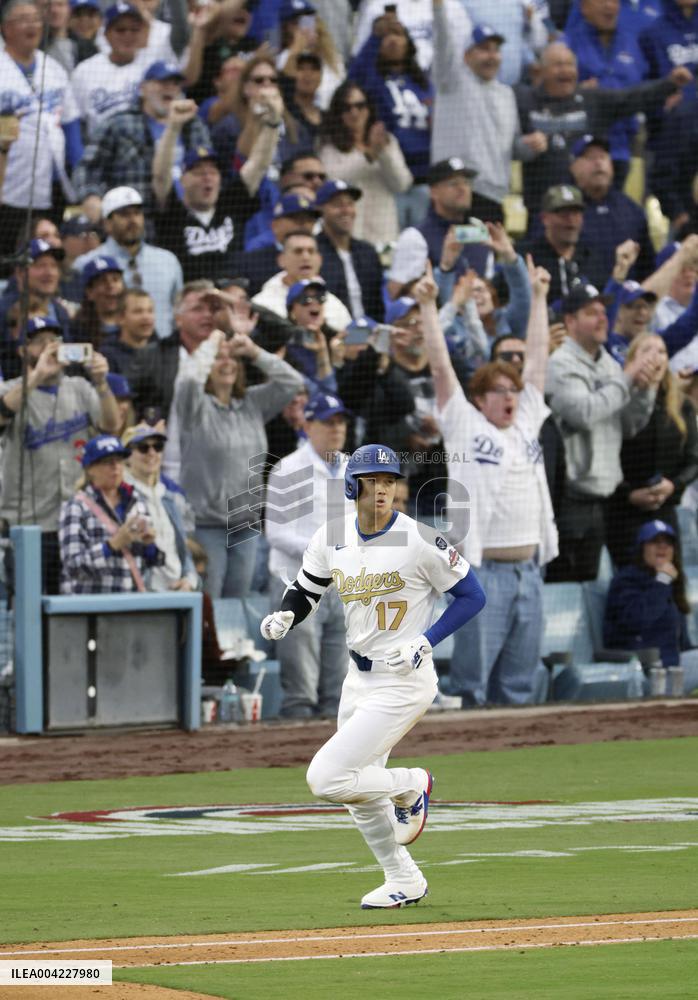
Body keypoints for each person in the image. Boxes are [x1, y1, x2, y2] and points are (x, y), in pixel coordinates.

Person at [260, 442, 485, 908]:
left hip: (403, 680)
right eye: (372, 481)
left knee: (327, 777)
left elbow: (472, 594)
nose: (382, 490)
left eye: (389, 481)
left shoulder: (418, 537)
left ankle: (411, 784)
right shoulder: (332, 535)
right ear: (352, 485)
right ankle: (403, 878)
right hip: (357, 677)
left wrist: (428, 640)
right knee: (356, 790)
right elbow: (306, 588)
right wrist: (287, 615)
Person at [419, 258, 559, 706]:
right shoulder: (465, 424)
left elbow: (537, 363)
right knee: (472, 686)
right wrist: (427, 306)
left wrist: (538, 297)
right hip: (484, 574)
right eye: (499, 391)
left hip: (531, 571)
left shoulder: (526, 424)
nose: (510, 397)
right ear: (480, 399)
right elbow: (441, 368)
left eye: (513, 391)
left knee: (519, 686)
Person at [174, 329, 304, 598]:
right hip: (205, 526)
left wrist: (254, 351)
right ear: (207, 366)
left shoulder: (252, 404)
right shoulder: (194, 407)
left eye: (232, 357)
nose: (227, 362)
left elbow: (292, 382)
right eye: (219, 358)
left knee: (238, 609)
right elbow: (187, 379)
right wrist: (211, 343)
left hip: (246, 526)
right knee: (209, 607)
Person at [545, 282, 659, 581]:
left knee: (600, 590)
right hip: (572, 503)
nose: (602, 318)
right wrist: (628, 377)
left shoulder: (608, 364)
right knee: (568, 593)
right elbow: (584, 414)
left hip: (609, 500)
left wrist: (644, 391)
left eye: (602, 311)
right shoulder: (559, 364)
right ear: (569, 321)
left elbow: (628, 426)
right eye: (591, 312)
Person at [0, 317, 119, 593]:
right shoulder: (11, 390)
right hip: (29, 525)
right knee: (29, 609)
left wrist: (102, 383)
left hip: (77, 523)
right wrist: (38, 375)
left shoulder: (80, 388)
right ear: (23, 351)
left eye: (54, 341)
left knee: (70, 611)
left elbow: (111, 427)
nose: (48, 347)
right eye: (39, 342)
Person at [515, 41, 691, 217]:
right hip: (542, 208)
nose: (566, 70)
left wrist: (669, 84)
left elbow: (631, 98)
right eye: (558, 65)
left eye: (570, 64)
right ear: (542, 71)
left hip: (585, 210)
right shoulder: (525, 101)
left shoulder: (591, 100)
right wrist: (523, 145)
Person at [265, 391, 352, 718]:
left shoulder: (351, 468)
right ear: (309, 425)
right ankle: (292, 753)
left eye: (340, 422)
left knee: (338, 682)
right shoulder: (288, 468)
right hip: (296, 582)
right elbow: (276, 532)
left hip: (341, 584)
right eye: (328, 423)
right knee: (300, 684)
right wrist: (324, 551)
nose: (336, 429)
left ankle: (335, 753)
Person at [432, 11, 547, 225]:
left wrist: (531, 146)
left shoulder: (507, 95)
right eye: (484, 49)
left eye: (496, 50)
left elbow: (514, 150)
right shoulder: (452, 81)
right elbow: (442, 42)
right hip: (455, 196)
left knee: (487, 257)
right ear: (466, 56)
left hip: (493, 201)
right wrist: (438, 7)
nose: (492, 56)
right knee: (452, 255)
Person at [73, 60, 210, 221]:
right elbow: (86, 168)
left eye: (175, 83)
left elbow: (209, 166)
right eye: (162, 82)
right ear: (142, 89)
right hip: (137, 218)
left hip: (187, 219)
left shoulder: (194, 125)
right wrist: (91, 197)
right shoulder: (119, 124)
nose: (170, 88)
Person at [606, 333, 698, 565]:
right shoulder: (615, 398)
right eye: (647, 350)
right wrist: (628, 494)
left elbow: (694, 458)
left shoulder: (681, 403)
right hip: (624, 512)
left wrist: (673, 485)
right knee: (631, 579)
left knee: (668, 579)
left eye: (661, 351)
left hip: (666, 507)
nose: (655, 357)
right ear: (632, 358)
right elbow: (605, 455)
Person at [0, 0, 82, 253]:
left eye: (36, 19)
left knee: (47, 253)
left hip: (52, 184)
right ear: (6, 28)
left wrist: (78, 172)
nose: (33, 25)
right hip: (9, 184)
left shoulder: (53, 68)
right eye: (23, 19)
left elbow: (70, 123)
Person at [348, 10, 433, 227]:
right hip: (388, 178)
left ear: (409, 43)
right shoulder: (372, 80)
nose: (392, 40)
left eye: (398, 34)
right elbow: (354, 76)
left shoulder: (423, 83)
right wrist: (374, 37)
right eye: (386, 36)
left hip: (424, 180)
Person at [73, 186, 182, 339]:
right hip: (108, 351)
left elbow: (179, 311)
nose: (133, 220)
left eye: (137, 213)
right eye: (124, 214)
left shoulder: (168, 260)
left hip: (162, 353)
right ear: (107, 223)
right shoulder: (86, 263)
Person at [59, 433, 162, 594]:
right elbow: (74, 567)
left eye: (119, 461)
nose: (116, 467)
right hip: (91, 606)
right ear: (90, 469)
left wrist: (150, 546)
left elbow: (152, 562)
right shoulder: (76, 507)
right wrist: (112, 545)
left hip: (132, 604)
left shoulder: (137, 501)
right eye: (108, 462)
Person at [603, 519, 698, 691]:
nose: (662, 547)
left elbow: (682, 641)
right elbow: (637, 620)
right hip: (643, 671)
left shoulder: (670, 581)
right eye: (655, 542)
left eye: (668, 543)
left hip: (672, 667)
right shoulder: (626, 580)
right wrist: (661, 583)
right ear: (642, 548)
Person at [318, 81, 413, 247]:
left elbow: (402, 184)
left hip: (384, 231)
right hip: (347, 234)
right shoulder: (328, 146)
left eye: (360, 106)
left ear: (369, 108)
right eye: (347, 108)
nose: (354, 112)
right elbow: (332, 180)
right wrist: (369, 156)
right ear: (338, 113)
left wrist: (383, 154)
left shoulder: (387, 142)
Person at [387, 158, 492, 298]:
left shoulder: (480, 232)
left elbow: (489, 284)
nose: (463, 189)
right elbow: (397, 293)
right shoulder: (415, 236)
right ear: (433, 192)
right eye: (453, 184)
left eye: (467, 183)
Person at [122, 421, 199, 591]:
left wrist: (189, 580)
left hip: (178, 593)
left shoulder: (170, 498)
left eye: (157, 447)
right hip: (143, 596)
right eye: (143, 447)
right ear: (127, 455)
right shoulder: (122, 497)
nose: (151, 453)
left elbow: (182, 550)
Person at [569, 134, 655, 282]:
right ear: (573, 167)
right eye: (590, 158)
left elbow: (648, 265)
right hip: (580, 299)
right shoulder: (563, 210)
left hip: (625, 299)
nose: (598, 163)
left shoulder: (631, 210)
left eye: (603, 156)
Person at [70, 1, 149, 140]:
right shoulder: (85, 71)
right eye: (120, 30)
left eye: (134, 30)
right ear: (106, 34)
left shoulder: (151, 68)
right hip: (102, 155)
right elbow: (75, 123)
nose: (128, 35)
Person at [251, 230, 352, 330]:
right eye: (298, 251)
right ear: (281, 260)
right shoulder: (261, 304)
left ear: (320, 260)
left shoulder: (335, 305)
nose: (306, 257)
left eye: (311, 251)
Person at [315, 179, 385, 322]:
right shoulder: (312, 252)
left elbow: (378, 304)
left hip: (370, 334)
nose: (346, 210)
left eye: (350, 204)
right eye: (337, 205)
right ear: (321, 209)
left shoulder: (367, 252)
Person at [518, 184, 597, 303]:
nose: (571, 220)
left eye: (576, 213)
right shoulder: (526, 258)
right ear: (545, 218)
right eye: (563, 214)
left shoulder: (593, 256)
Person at [276, 0, 345, 111]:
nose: (304, 28)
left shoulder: (333, 58)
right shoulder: (280, 59)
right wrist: (297, 48)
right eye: (295, 23)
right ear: (285, 28)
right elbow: (285, 90)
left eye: (307, 20)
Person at [70, 255, 125, 348]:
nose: (110, 286)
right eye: (103, 281)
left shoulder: (136, 321)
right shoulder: (78, 330)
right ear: (89, 292)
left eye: (115, 279)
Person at [101, 287, 157, 379]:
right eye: (138, 311)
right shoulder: (107, 357)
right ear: (120, 318)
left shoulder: (162, 353)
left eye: (150, 311)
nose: (146, 317)